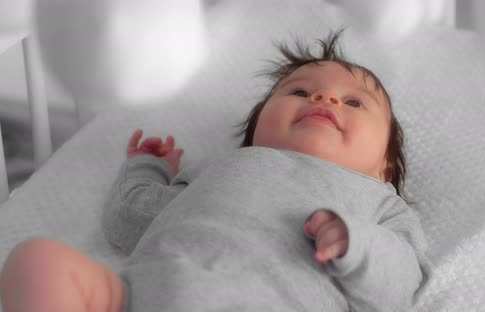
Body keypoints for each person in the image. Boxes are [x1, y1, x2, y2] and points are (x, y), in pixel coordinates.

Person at [0, 29, 429, 312]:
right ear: (258, 129)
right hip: (136, 297)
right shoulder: (217, 170)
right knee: (38, 262)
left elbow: (403, 283)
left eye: (354, 102)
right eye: (300, 91)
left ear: (384, 167)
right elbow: (126, 219)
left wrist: (358, 244)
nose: (325, 99)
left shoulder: (376, 203)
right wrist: (148, 167)